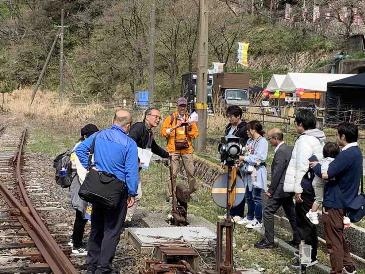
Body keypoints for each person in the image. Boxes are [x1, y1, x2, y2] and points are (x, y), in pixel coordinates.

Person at [76, 109, 138, 274]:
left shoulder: (99, 135)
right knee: (112, 230)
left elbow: (80, 150)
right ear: (128, 126)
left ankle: (91, 265)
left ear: (114, 120)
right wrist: (132, 193)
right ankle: (103, 268)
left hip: (97, 188)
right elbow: (131, 171)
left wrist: (90, 167)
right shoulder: (129, 144)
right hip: (117, 191)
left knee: (96, 227)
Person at [311, 122, 362, 274]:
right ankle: (348, 265)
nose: (335, 137)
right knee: (338, 236)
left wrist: (316, 166)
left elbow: (327, 174)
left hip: (335, 202)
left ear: (343, 136)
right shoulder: (357, 152)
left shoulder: (346, 154)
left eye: (337, 134)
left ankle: (337, 270)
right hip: (346, 200)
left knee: (333, 243)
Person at [283, 109, 326, 267]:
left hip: (305, 186)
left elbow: (301, 166)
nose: (295, 126)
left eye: (296, 123)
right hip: (313, 185)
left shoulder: (304, 140)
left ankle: (307, 259)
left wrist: (297, 189)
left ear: (301, 124)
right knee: (308, 223)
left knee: (304, 225)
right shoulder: (317, 138)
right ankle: (309, 255)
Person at [254, 128, 300, 249]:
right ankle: (298, 238)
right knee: (291, 213)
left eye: (270, 139)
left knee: (268, 212)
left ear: (275, 138)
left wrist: (271, 190)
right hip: (288, 187)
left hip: (280, 188)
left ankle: (269, 240)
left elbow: (277, 173)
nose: (269, 141)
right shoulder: (289, 148)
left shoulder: (280, 151)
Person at [126, 107, 169, 222]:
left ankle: (123, 219)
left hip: (135, 169)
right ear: (147, 116)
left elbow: (154, 147)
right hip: (128, 169)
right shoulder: (138, 128)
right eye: (156, 117)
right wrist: (137, 158)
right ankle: (123, 219)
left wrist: (168, 155)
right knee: (134, 194)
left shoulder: (149, 132)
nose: (158, 120)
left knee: (135, 195)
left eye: (159, 118)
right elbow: (129, 142)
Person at [69, 123, 99, 255]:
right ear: (87, 136)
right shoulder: (80, 150)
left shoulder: (82, 147)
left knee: (82, 214)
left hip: (81, 185)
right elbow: (82, 173)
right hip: (81, 186)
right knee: (82, 214)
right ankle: (76, 245)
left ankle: (74, 239)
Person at [161, 97, 199, 201]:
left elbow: (195, 134)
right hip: (173, 150)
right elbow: (163, 132)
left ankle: (191, 193)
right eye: (180, 105)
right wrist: (175, 127)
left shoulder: (190, 118)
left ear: (186, 106)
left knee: (191, 172)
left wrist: (189, 127)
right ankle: (171, 195)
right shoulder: (171, 118)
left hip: (187, 150)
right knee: (172, 173)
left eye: (184, 106)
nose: (182, 108)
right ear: (177, 106)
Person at [236, 120, 268, 229]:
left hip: (257, 172)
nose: (246, 132)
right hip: (247, 171)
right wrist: (241, 160)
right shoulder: (249, 141)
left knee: (257, 196)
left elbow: (260, 158)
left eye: (248, 130)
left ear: (253, 130)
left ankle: (258, 219)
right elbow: (246, 153)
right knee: (248, 196)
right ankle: (249, 216)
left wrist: (244, 158)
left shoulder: (262, 141)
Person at [223, 105, 249, 220]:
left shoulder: (244, 128)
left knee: (238, 186)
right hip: (228, 160)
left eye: (231, 116)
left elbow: (245, 146)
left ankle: (238, 212)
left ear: (238, 116)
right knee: (230, 186)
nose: (229, 119)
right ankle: (230, 211)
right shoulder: (229, 127)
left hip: (238, 161)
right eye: (228, 116)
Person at [306, 142, 341, 225]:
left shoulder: (324, 159)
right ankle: (312, 213)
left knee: (321, 198)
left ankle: (315, 212)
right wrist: (327, 175)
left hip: (319, 183)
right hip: (318, 184)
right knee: (319, 199)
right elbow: (324, 171)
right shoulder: (330, 161)